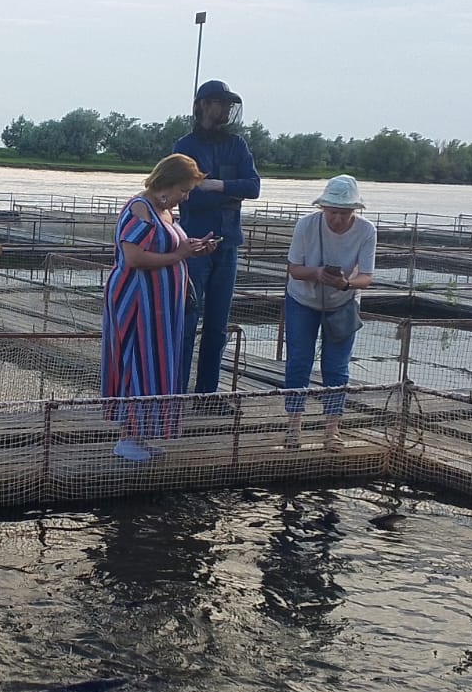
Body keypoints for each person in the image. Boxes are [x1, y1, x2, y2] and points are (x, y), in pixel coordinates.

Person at [102, 153, 216, 462]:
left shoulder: (164, 211)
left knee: (154, 363)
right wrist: (179, 256)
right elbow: (134, 258)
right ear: (167, 183)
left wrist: (192, 248)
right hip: (137, 300)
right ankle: (126, 437)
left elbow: (167, 247)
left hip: (160, 305)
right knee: (137, 361)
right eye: (184, 189)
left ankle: (139, 435)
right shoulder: (140, 208)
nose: (186, 196)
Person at [174, 80, 261, 394]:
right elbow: (185, 194)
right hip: (194, 243)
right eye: (220, 103)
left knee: (217, 326)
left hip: (228, 243)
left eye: (228, 104)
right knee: (187, 320)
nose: (225, 110)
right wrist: (228, 191)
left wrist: (218, 186)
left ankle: (207, 394)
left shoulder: (237, 144)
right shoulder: (185, 146)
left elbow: (253, 187)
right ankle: (176, 391)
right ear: (204, 105)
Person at [282, 175, 376, 451]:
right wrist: (317, 273)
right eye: (332, 212)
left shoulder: (366, 231)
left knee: (336, 367)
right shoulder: (306, 225)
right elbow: (294, 269)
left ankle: (331, 430)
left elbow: (367, 277)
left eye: (344, 213)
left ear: (354, 211)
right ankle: (293, 425)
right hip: (302, 298)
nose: (337, 218)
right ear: (323, 208)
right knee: (299, 361)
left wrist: (346, 283)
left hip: (343, 302)